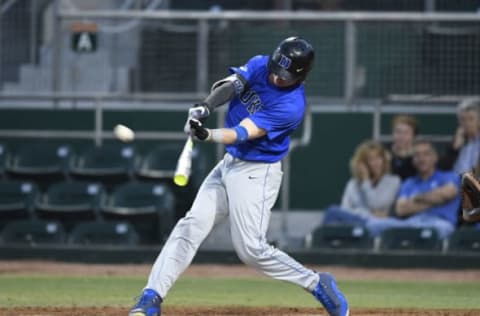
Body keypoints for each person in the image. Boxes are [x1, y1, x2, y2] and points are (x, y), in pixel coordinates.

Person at [128, 37, 349, 316]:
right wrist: (204, 107)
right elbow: (231, 85)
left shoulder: (291, 106)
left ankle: (317, 283)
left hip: (257, 173)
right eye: (275, 71)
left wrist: (207, 135)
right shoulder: (260, 65)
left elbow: (244, 132)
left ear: (301, 75)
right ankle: (151, 297)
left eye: (285, 75)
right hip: (230, 163)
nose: (276, 78)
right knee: (191, 224)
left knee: (251, 250)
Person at [366, 139, 461, 240]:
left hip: (439, 222)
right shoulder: (409, 183)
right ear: (413, 160)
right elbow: (401, 209)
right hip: (412, 223)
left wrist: (416, 198)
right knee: (373, 225)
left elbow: (447, 194)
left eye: (426, 154)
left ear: (435, 157)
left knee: (439, 229)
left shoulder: (450, 176)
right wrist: (436, 200)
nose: (421, 158)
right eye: (417, 155)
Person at [323, 140, 401, 225]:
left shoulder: (393, 181)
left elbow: (375, 204)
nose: (376, 163)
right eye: (371, 159)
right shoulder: (353, 184)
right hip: (354, 223)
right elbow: (345, 210)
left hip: (377, 225)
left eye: (379, 158)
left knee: (332, 211)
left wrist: (366, 180)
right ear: (362, 164)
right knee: (333, 214)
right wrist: (367, 213)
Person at [438, 98, 480, 174]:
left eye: (471, 119)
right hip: (456, 182)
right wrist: (455, 148)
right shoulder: (456, 142)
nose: (467, 123)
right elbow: (443, 168)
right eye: (463, 119)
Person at [388, 115, 418, 180]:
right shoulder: (384, 153)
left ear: (413, 136)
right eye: (398, 132)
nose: (401, 136)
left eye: (406, 133)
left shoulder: (419, 156)